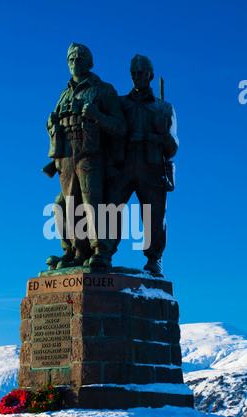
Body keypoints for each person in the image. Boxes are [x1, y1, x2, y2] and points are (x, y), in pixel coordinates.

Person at [45, 43, 126, 270]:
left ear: (90, 63)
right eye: (71, 58)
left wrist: (96, 115)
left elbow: (120, 128)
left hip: (91, 153)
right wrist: (50, 124)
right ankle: (77, 251)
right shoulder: (64, 94)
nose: (75, 61)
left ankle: (101, 249)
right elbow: (53, 124)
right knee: (68, 204)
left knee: (92, 202)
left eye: (80, 58)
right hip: (66, 155)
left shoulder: (103, 89)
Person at [106, 54, 179, 277]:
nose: (137, 77)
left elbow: (173, 148)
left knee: (155, 215)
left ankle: (154, 259)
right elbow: (108, 136)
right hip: (124, 164)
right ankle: (105, 252)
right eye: (133, 73)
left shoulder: (164, 108)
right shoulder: (119, 103)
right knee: (110, 208)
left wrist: (163, 132)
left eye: (141, 73)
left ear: (150, 75)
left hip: (152, 167)